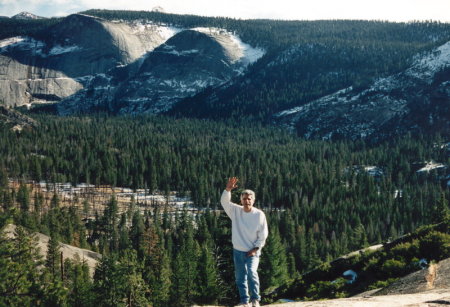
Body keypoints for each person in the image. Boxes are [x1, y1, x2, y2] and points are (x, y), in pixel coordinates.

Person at [221, 177, 269, 307]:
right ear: (241, 200)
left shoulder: (259, 215)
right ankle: (244, 301)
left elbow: (263, 234)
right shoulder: (235, 211)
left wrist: (256, 248)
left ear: (253, 200)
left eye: (249, 199)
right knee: (240, 277)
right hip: (238, 250)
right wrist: (228, 189)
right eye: (244, 198)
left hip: (253, 251)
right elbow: (224, 202)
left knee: (252, 272)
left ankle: (255, 299)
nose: (247, 201)